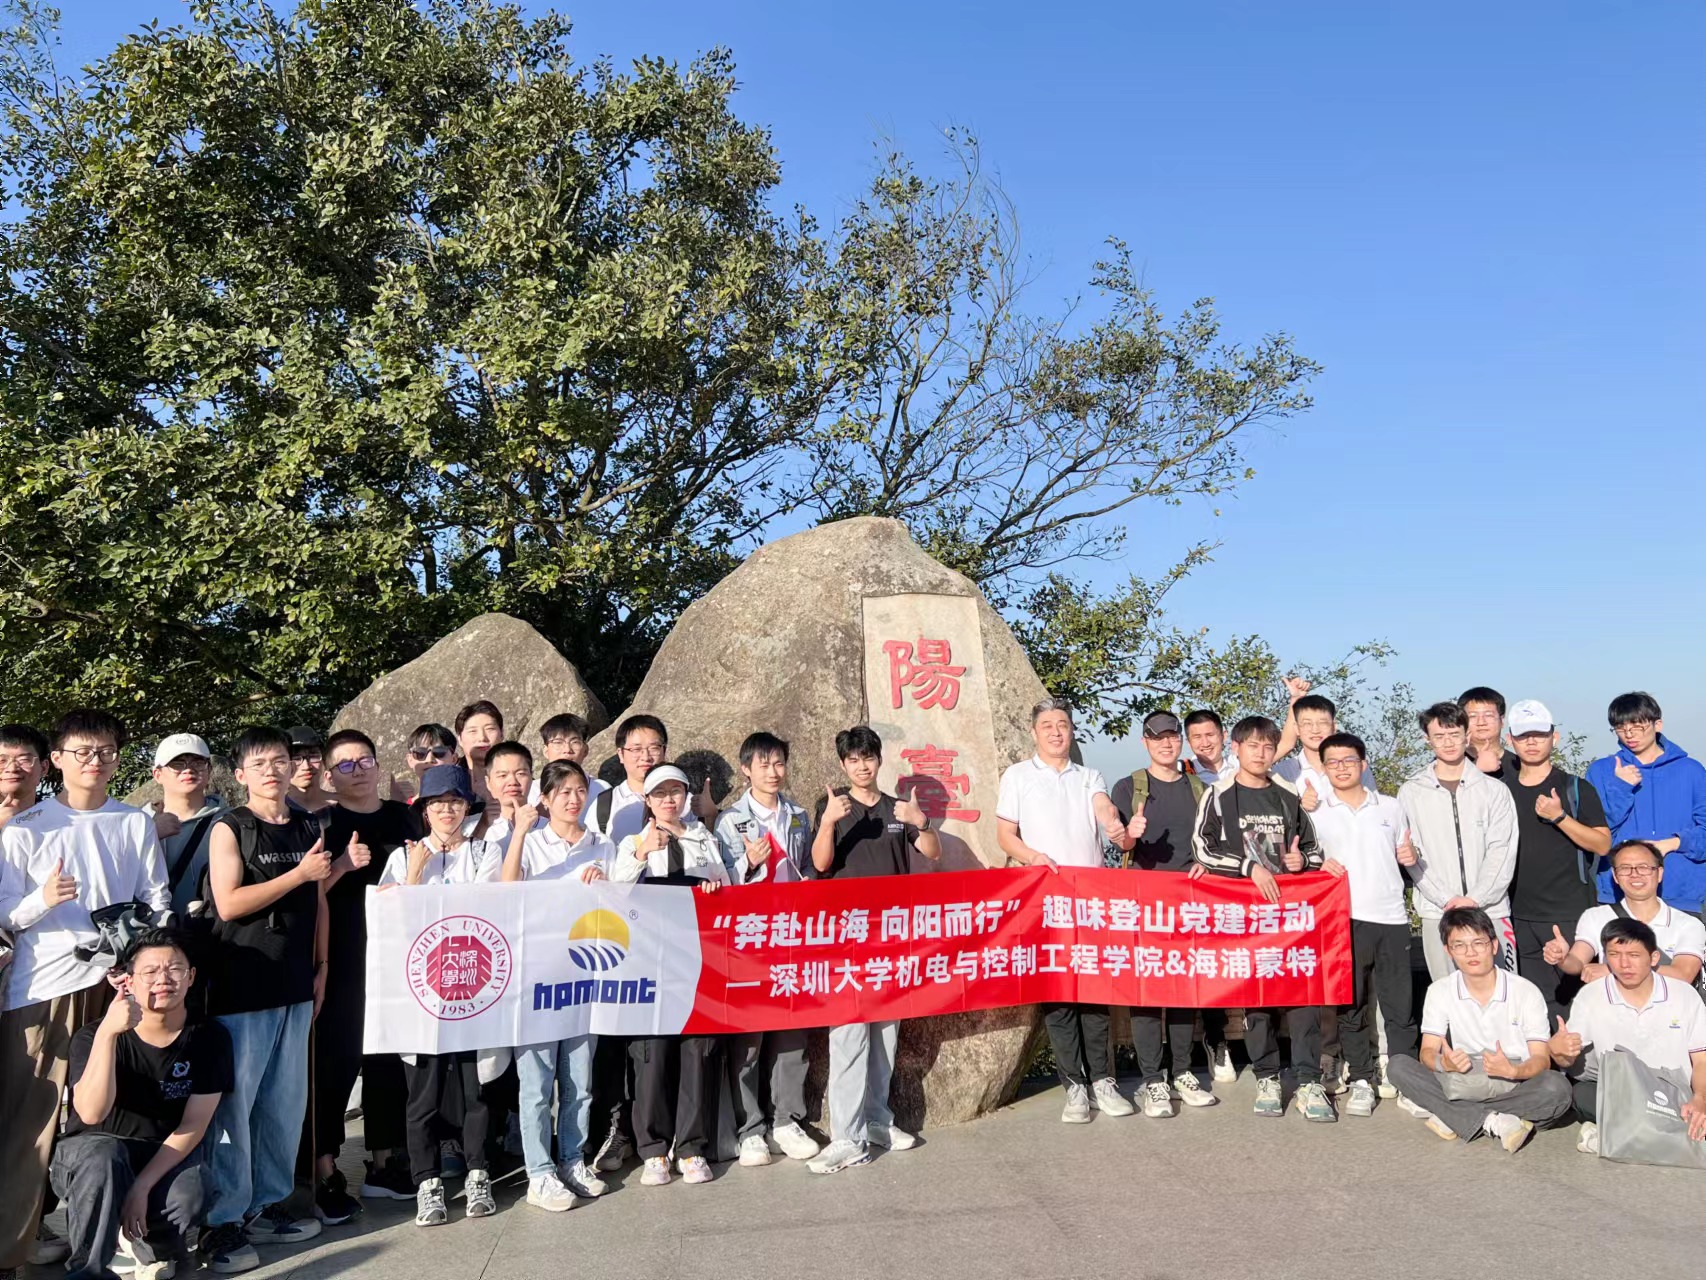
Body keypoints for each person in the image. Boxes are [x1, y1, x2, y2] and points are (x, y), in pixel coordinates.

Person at [0, 710, 169, 1280]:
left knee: (120, 1110)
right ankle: (11, 1249)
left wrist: (141, 956)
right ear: (57, 760)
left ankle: (120, 1238)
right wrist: (43, 899)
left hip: (118, 983)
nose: (94, 761)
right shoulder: (27, 827)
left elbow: (156, 896)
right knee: (32, 1121)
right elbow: (4, 914)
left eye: (105, 751)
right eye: (82, 751)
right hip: (45, 986)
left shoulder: (133, 822)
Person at [198, 727, 328, 1272]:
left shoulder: (307, 822)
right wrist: (299, 873)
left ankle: (266, 1204)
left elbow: (319, 899)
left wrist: (322, 966)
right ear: (240, 774)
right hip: (242, 985)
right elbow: (228, 903)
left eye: (280, 760)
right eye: (260, 763)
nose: (273, 770)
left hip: (295, 982)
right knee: (236, 1106)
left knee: (283, 1104)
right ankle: (222, 1221)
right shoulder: (230, 827)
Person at [52, 929, 228, 1280]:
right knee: (105, 1157)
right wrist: (108, 1033)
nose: (164, 979)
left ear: (191, 977)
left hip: (158, 1153)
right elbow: (91, 1113)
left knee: (194, 1188)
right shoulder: (92, 1036)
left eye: (175, 969)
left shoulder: (210, 1037)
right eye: (150, 971)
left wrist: (142, 1185)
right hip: (90, 1154)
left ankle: (148, 1243)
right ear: (129, 981)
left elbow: (193, 1125)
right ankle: (88, 1270)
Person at [807, 727, 940, 1173]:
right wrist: (828, 822)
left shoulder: (896, 809)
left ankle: (877, 1120)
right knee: (848, 1035)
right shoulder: (832, 807)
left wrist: (921, 821)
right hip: (846, 939)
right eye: (853, 759)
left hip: (892, 938)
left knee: (885, 1037)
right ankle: (847, 1138)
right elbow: (820, 863)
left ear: (879, 760)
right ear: (843, 764)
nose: (862, 766)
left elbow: (931, 852)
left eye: (868, 757)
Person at [997, 699, 1136, 1124]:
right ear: (1034, 732)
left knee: (1094, 993)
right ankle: (1074, 1085)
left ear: (1072, 731)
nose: (1056, 732)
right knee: (1058, 996)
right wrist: (1033, 857)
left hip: (1090, 900)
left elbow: (1102, 807)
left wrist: (1113, 823)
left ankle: (1103, 1081)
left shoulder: (1088, 775)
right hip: (1046, 900)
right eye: (1047, 725)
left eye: (1063, 724)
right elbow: (1005, 835)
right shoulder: (1018, 776)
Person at [377, 764, 502, 1226]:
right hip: (422, 991)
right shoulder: (402, 857)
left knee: (475, 1088)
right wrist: (414, 873)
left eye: (454, 801)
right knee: (422, 1093)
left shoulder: (486, 851)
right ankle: (427, 1181)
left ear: (467, 807)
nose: (446, 810)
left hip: (474, 984)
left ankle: (478, 1171)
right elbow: (391, 922)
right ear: (424, 811)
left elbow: (487, 907)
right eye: (437, 803)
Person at [1191, 715, 1331, 1121]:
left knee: (1303, 999)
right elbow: (1202, 848)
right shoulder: (1219, 793)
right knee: (1257, 1001)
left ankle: (1309, 1081)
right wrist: (1248, 868)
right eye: (1253, 745)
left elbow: (1313, 849)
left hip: (1290, 918)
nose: (1261, 753)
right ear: (1235, 748)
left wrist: (1302, 861)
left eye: (1269, 746)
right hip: (1244, 918)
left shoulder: (1287, 794)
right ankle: (1267, 1076)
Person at [499, 759, 613, 1212]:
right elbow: (507, 890)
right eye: (562, 791)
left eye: (579, 789)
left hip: (585, 977)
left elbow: (621, 905)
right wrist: (519, 833)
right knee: (536, 1083)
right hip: (537, 978)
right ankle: (539, 1173)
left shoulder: (602, 844)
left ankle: (572, 1159)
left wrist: (605, 884)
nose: (573, 798)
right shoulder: (530, 842)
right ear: (544, 799)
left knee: (579, 1081)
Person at [313, 729, 420, 1209]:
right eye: (344, 764)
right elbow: (305, 893)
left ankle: (383, 1161)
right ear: (328, 777)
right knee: (335, 1062)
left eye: (364, 761)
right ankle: (324, 1168)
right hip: (343, 958)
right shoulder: (322, 822)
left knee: (389, 1061)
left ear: (379, 765)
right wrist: (341, 865)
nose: (357, 771)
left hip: (399, 959)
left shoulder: (405, 817)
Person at [610, 764, 728, 1186]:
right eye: (660, 794)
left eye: (676, 792)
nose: (669, 800)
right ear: (647, 800)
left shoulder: (703, 837)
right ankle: (653, 1148)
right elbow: (615, 894)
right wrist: (643, 852)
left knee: (698, 1051)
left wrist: (714, 885)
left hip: (696, 959)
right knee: (652, 1054)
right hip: (648, 962)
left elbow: (725, 884)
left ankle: (693, 1147)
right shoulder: (631, 842)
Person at [712, 732, 821, 1166]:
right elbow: (720, 880)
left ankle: (786, 1120)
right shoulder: (729, 821)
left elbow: (807, 864)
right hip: (750, 938)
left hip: (792, 935)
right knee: (749, 1035)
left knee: (792, 1030)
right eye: (763, 765)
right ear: (746, 770)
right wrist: (749, 863)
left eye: (778, 763)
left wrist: (810, 883)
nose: (773, 772)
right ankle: (750, 1127)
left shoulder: (797, 815)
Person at [1385, 907, 1571, 1152]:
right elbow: (1427, 1052)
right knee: (1397, 1065)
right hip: (1463, 1077)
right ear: (1448, 951)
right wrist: (1443, 1063)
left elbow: (1541, 1059)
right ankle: (1494, 1120)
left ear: (1494, 945)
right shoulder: (1439, 990)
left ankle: (1455, 1115)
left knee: (1557, 1088)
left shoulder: (1525, 991)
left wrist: (1514, 1070)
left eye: (1478, 943)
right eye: (1459, 945)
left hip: (1514, 1082)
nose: (1470, 952)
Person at [1108, 711, 1215, 1115]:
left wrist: (1205, 862)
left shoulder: (1198, 788)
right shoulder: (1129, 787)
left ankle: (1183, 1072)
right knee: (1148, 991)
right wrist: (1129, 835)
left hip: (1189, 903)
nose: (1166, 743)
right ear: (1145, 743)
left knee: (1185, 990)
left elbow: (1212, 842)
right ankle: (1153, 1080)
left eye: (1172, 736)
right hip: (1143, 904)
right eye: (1158, 738)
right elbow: (1120, 844)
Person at [1310, 733, 1419, 1116]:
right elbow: (1304, 863)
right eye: (1333, 762)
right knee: (1350, 1006)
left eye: (1349, 760)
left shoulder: (1391, 807)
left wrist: (1411, 855)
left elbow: (1406, 854)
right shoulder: (1316, 814)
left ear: (1363, 764)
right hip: (1342, 920)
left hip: (1391, 917)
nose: (1341, 767)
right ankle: (1361, 1078)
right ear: (1324, 769)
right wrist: (1316, 864)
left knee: (1398, 1005)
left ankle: (1405, 1079)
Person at [1549, 917, 1706, 1156]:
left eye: (1634, 955)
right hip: (1621, 1092)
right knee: (1581, 1094)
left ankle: (1614, 1136)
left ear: (1654, 958)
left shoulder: (1684, 995)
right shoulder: (1591, 995)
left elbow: (1702, 1059)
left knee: (1692, 1112)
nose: (1624, 964)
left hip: (1675, 1091)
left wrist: (1700, 1099)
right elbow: (1567, 1059)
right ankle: (1655, 1132)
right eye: (1614, 955)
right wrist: (1558, 1051)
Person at [1502, 700, 1611, 1021]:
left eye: (1539, 734)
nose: (1531, 742)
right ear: (1510, 740)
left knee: (1578, 1003)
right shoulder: (1499, 791)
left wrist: (1560, 817)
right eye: (1523, 736)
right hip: (1516, 915)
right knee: (1532, 1007)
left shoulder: (1575, 788)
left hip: (1568, 914)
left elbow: (1603, 844)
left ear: (1555, 737)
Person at [1398, 702, 1519, 980]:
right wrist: (1447, 900)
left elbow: (1502, 850)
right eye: (1439, 736)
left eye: (1454, 734)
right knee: (1447, 992)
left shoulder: (1494, 790)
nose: (1448, 742)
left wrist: (1476, 898)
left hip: (1491, 909)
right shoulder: (1411, 791)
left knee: (1503, 989)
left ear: (1467, 736)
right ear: (1427, 740)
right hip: (1437, 911)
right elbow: (1412, 854)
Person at [1585, 692, 1706, 912]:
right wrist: (1621, 788)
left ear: (1657, 724)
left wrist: (1673, 843)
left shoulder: (1692, 771)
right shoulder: (1601, 771)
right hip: (1618, 892)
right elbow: (1596, 832)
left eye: (1637, 726)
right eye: (1620, 727)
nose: (1629, 734)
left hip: (1681, 894)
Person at [1545, 840, 1705, 988]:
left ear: (1659, 873)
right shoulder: (1595, 917)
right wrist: (1562, 958)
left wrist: (1613, 971)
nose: (1635, 874)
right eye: (1625, 868)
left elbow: (1683, 975)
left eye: (1643, 867)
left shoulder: (1688, 924)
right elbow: (1577, 962)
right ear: (1615, 876)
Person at [1179, 709, 1238, 1085]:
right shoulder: (1183, 772)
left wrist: (1294, 704)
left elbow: (1279, 747)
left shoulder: (1242, 764)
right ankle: (1216, 1038)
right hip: (1206, 878)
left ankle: (1266, 1045)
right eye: (1196, 737)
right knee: (1211, 961)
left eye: (1210, 735)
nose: (1205, 742)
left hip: (1247, 874)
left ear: (1223, 734)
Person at [145, 735, 226, 918]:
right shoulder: (137, 822)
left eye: (198, 762)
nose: (188, 769)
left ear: (209, 769)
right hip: (154, 928)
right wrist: (150, 834)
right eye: (177, 763)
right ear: (157, 774)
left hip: (216, 928)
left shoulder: (232, 821)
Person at [526, 714, 607, 808]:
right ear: (546, 751)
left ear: (585, 750)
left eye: (575, 742)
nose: (567, 749)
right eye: (558, 742)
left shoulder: (601, 790)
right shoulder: (530, 792)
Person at [470, 739, 537, 846]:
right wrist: (482, 827)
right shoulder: (471, 828)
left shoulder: (552, 826)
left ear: (531, 776)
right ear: (488, 782)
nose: (512, 782)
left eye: (520, 774)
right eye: (502, 775)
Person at [452, 702, 505, 805]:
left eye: (490, 729)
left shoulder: (519, 780)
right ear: (460, 739)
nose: (482, 738)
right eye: (473, 731)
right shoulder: (449, 782)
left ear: (502, 733)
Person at [391, 723, 457, 804]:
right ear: (410, 760)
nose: (429, 759)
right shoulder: (403, 809)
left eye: (439, 751)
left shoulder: (466, 804)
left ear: (454, 759)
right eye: (420, 753)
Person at [1459, 687, 1515, 779]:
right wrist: (1475, 769)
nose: (1481, 722)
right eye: (1473, 716)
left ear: (1502, 721)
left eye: (1488, 715)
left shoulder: (1519, 764)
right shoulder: (1448, 764)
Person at [0, 724, 48, 831]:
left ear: (44, 768)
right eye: (2, 761)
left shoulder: (60, 822)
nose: (12, 768)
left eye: (24, 760)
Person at [284, 726, 330, 817]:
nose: (306, 766)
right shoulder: (275, 811)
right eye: (296, 759)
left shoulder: (342, 805)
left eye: (313, 757)